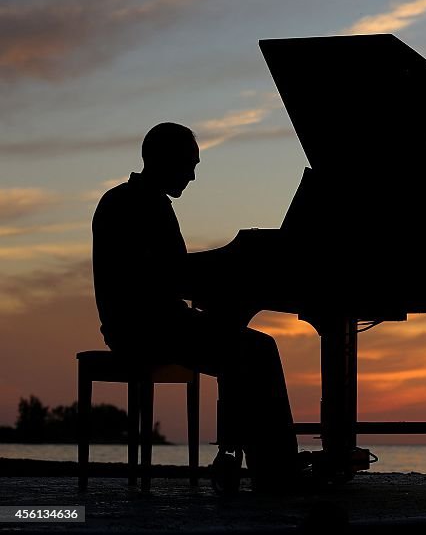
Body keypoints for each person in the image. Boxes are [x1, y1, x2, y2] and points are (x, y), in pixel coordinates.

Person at [91, 122, 303, 491]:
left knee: (243, 349)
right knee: (257, 350)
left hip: (150, 323)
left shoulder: (134, 200)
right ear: (161, 159)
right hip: (146, 329)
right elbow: (166, 275)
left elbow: (169, 274)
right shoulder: (137, 205)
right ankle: (276, 472)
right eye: (188, 164)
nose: (191, 176)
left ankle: (254, 462)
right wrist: (228, 276)